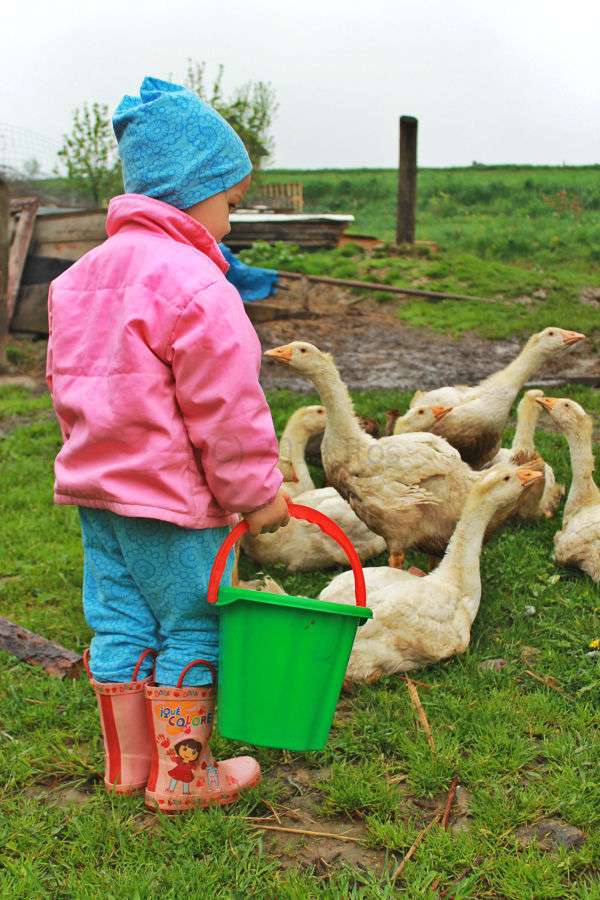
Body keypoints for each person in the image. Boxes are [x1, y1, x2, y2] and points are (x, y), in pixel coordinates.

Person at [46, 76, 290, 810]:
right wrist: (258, 496)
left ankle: (130, 769)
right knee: (192, 620)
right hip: (174, 502)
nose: (230, 222)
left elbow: (68, 380)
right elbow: (228, 410)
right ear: (195, 189)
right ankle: (185, 777)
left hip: (97, 491)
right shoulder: (195, 284)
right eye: (230, 202)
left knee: (119, 619)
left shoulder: (79, 278)